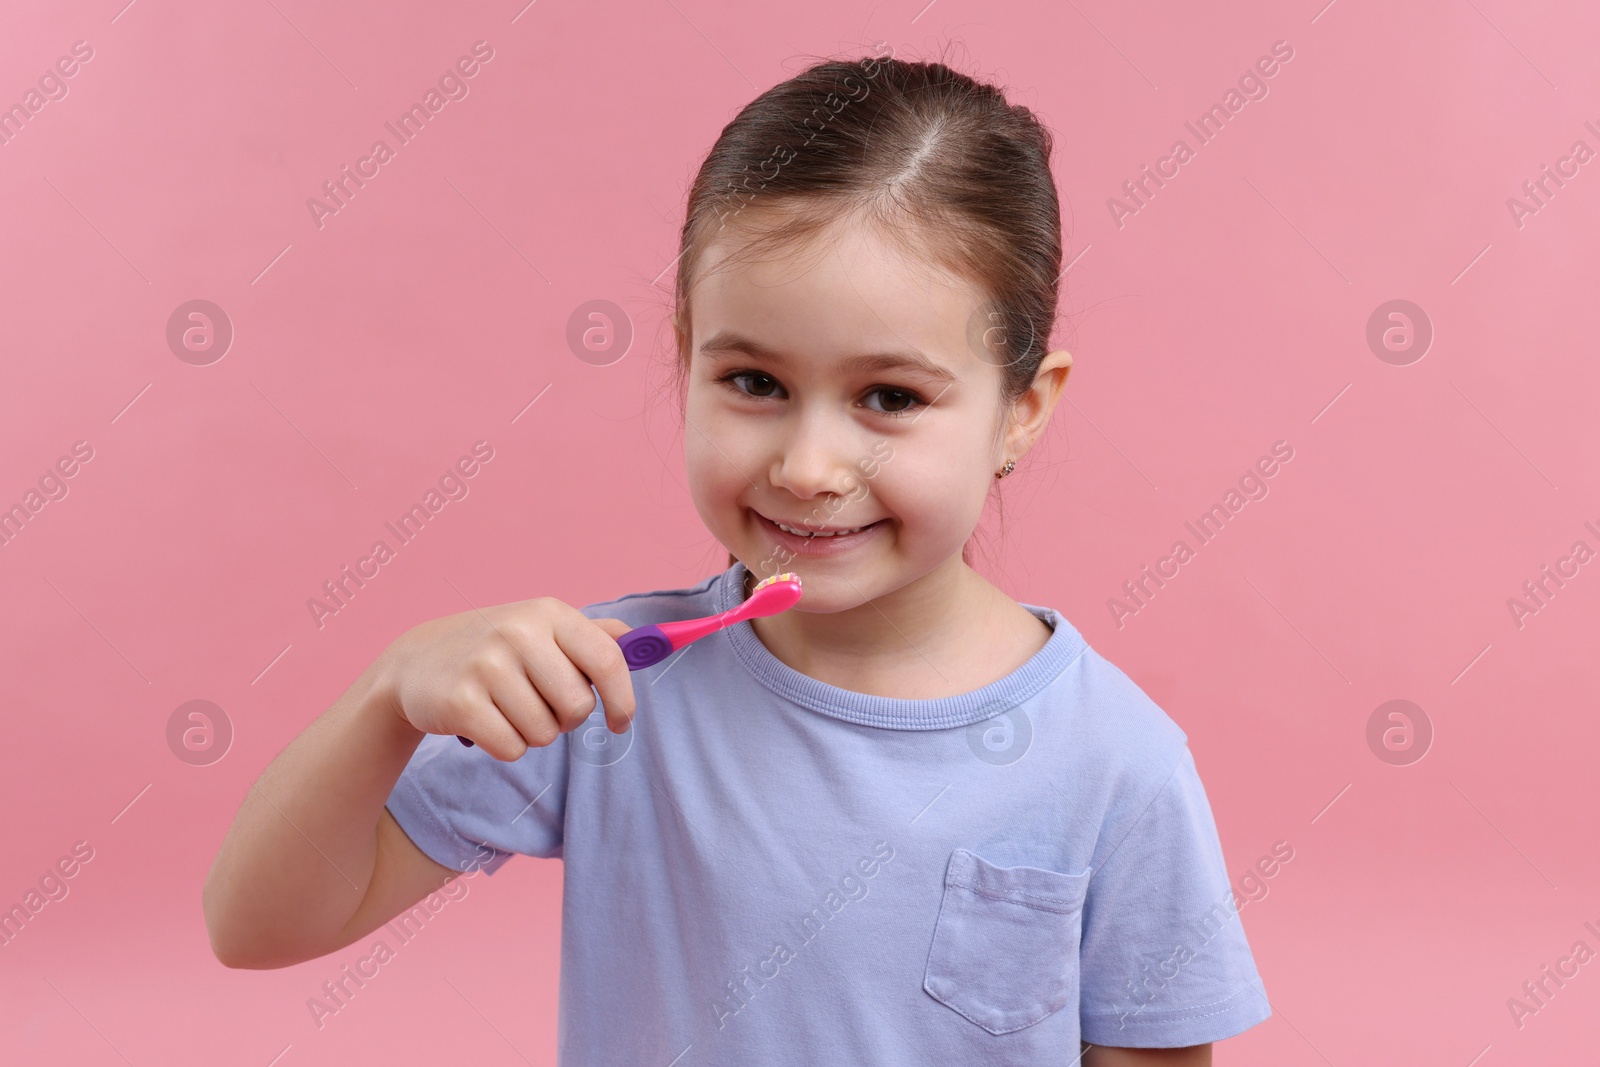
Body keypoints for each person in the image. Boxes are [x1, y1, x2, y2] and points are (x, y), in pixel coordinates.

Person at [204, 47, 1270, 1066]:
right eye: (753, 382)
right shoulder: (609, 686)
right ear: (686, 358)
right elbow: (256, 923)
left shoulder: (1117, 762)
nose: (807, 466)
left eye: (888, 397)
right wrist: (387, 696)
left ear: (1021, 412)